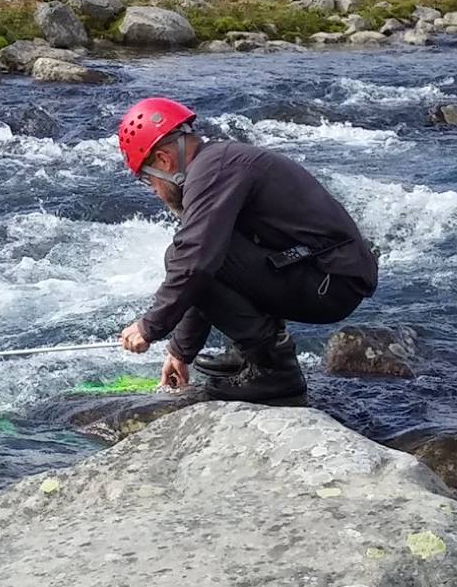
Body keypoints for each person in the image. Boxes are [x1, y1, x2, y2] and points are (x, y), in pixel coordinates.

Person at [113, 97, 379, 403]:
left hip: (331, 282)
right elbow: (204, 269)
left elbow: (196, 263)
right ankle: (251, 357)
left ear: (164, 160)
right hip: (324, 274)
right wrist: (180, 351)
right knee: (194, 252)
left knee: (182, 255)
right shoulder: (216, 163)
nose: (155, 192)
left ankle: (275, 371)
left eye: (149, 180)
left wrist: (149, 327)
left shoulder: (212, 171)